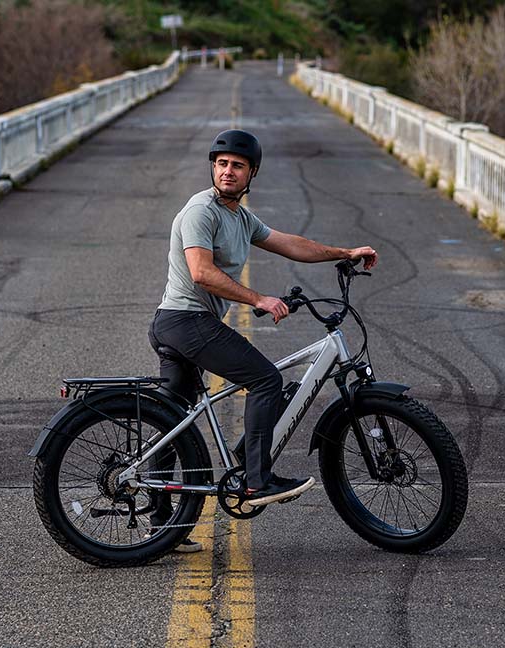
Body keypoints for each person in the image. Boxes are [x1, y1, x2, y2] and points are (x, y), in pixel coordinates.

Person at [147, 129, 378, 552]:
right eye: (221, 164)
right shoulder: (202, 210)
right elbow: (201, 271)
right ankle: (257, 479)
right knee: (267, 381)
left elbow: (290, 244)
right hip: (186, 321)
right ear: (213, 168)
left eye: (236, 165)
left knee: (172, 418)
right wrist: (258, 298)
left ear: (251, 172)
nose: (227, 171)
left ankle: (163, 524)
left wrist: (345, 253)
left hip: (180, 324)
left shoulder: (239, 216)